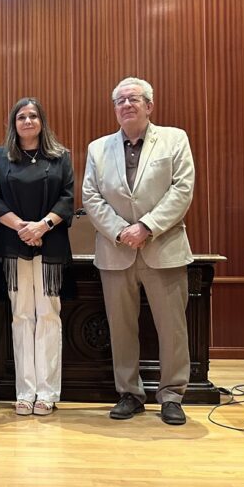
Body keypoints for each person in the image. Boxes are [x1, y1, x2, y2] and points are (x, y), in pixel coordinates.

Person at [82, 77, 195, 426]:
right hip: (116, 251)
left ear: (149, 105)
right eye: (120, 101)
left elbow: (182, 189)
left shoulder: (174, 139)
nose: (126, 105)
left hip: (163, 248)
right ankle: (129, 393)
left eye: (134, 99)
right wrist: (120, 231)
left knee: (172, 328)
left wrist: (146, 226)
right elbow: (91, 196)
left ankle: (172, 395)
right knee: (121, 328)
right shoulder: (98, 148)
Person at [0, 98, 74, 417]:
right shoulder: (1, 157)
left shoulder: (60, 156)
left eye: (33, 116)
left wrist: (42, 226)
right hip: (13, 245)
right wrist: (22, 228)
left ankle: (47, 393)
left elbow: (68, 198)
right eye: (21, 116)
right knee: (22, 316)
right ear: (14, 123)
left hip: (51, 245)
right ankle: (25, 392)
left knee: (49, 315)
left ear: (42, 121)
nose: (27, 121)